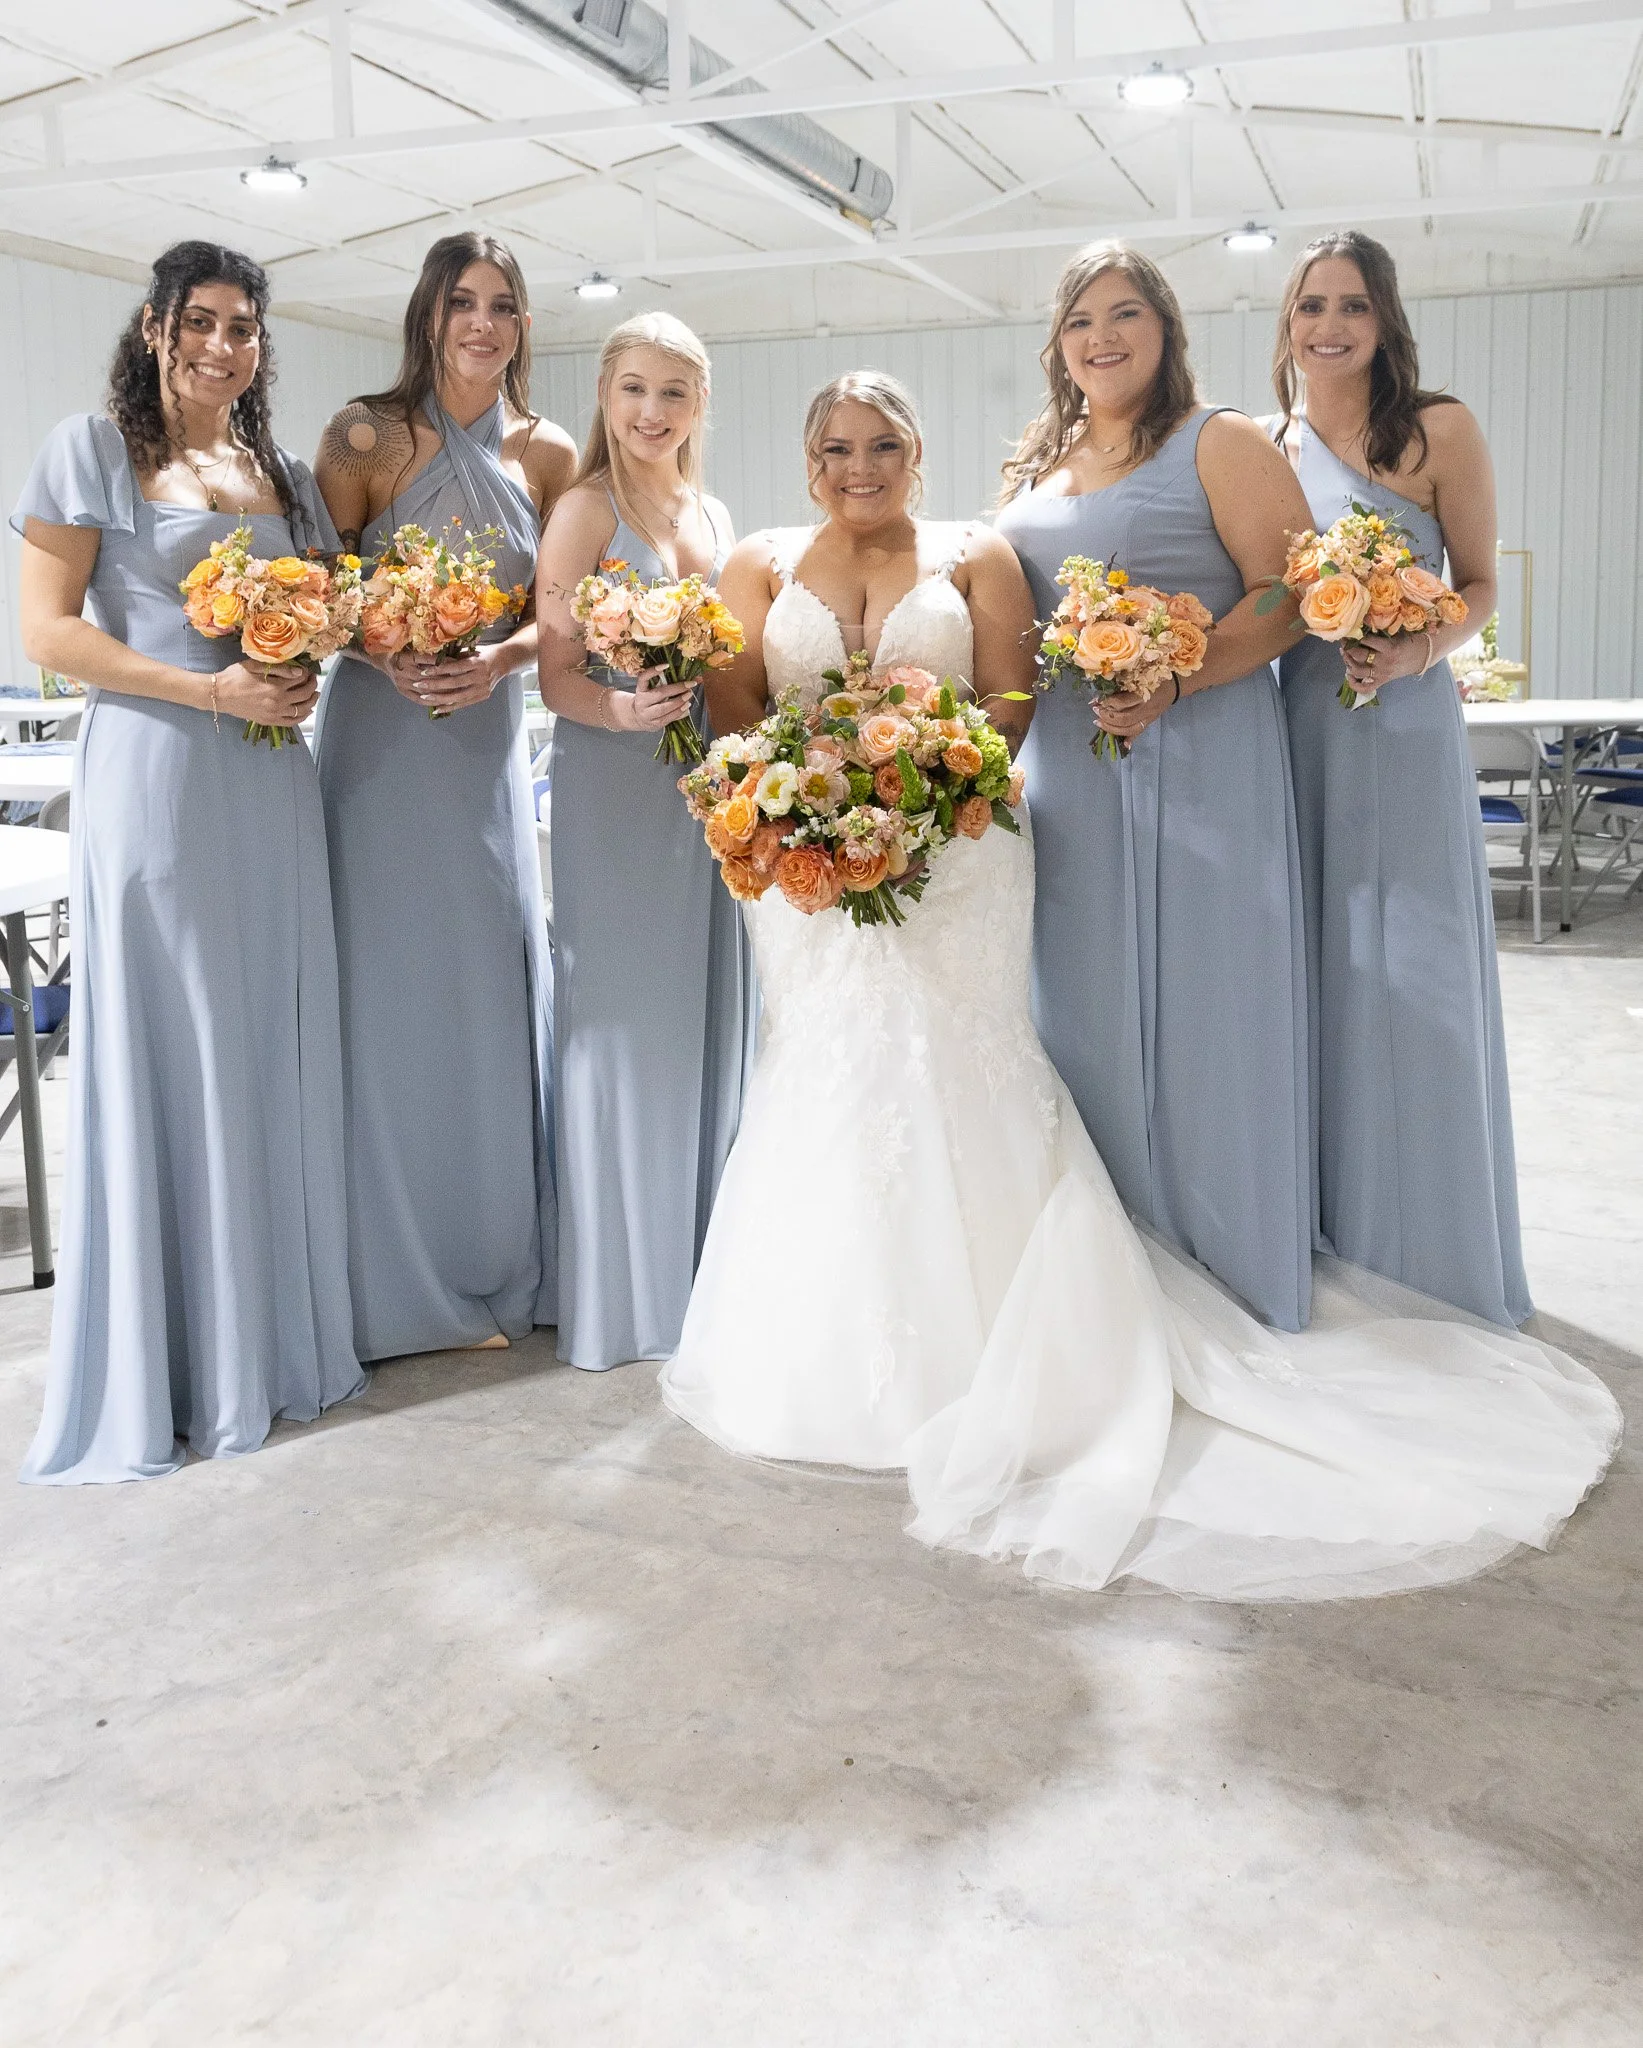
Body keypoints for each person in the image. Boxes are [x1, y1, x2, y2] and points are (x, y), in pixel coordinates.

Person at [659, 370, 1620, 1602]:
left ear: (917, 450)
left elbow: (1007, 706)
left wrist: (914, 797)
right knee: (824, 1083)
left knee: (957, 1073)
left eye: (883, 442)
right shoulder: (755, 562)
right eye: (835, 446)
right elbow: (741, 713)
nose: (859, 466)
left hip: (949, 862)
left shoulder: (977, 556)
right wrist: (814, 798)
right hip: (806, 883)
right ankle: (817, 1344)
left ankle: (1009, 1345)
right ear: (805, 462)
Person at [13, 240, 363, 1482]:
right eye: (201, 321)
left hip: (271, 784)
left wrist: (310, 661)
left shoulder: (271, 465)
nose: (224, 345)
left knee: (265, 1039)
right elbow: (50, 630)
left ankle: (263, 1346)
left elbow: (333, 601)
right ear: (156, 326)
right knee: (185, 1040)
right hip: (161, 770)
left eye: (244, 327)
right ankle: (176, 1362)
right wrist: (208, 689)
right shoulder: (91, 446)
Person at [994, 240, 1314, 1333]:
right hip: (1063, 788)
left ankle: (1220, 1258)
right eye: (1081, 319)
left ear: (1165, 330)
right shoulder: (1038, 462)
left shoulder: (1214, 440)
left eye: (1125, 314)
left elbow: (1289, 591)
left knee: (1204, 1006)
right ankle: (1101, 1276)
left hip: (1202, 768)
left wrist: (1179, 672)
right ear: (1059, 343)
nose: (1102, 336)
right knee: (1076, 1015)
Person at [312, 234, 573, 1361]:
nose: (482, 322)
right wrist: (388, 653)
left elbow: (556, 609)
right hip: (379, 748)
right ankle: (383, 1277)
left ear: (522, 325)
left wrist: (500, 662)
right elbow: (319, 591)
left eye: (503, 306)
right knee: (383, 992)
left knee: (481, 984)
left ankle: (486, 1255)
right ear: (426, 313)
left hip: (482, 747)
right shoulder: (363, 433)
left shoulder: (549, 451)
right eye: (462, 302)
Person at [1268, 230, 1530, 1328]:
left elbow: (1477, 583)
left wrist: (1419, 647)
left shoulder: (1435, 429)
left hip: (1405, 717)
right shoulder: (1262, 444)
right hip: (1291, 723)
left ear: (1383, 323)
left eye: (1351, 306)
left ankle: (1425, 1236)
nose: (1328, 325)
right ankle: (1322, 1223)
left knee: (1410, 969)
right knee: (1314, 965)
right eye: (1310, 304)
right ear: (1286, 321)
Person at [535, 312, 752, 1371]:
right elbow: (556, 675)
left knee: (699, 1014)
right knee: (621, 1023)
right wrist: (618, 714)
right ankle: (622, 1293)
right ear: (605, 395)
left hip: (699, 788)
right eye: (632, 389)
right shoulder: (583, 510)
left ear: (698, 403)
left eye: (672, 392)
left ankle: (703, 1268)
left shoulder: (709, 509)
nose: (650, 412)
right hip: (612, 784)